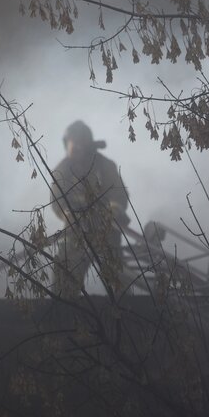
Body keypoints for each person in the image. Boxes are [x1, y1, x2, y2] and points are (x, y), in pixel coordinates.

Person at [50, 120, 129, 298]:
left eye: (79, 142)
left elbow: (118, 195)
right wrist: (67, 215)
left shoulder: (105, 166)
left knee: (117, 276)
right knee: (66, 270)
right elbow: (57, 202)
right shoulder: (62, 170)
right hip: (75, 234)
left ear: (88, 143)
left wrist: (112, 212)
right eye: (71, 142)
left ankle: (124, 311)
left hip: (106, 231)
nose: (75, 146)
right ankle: (65, 311)